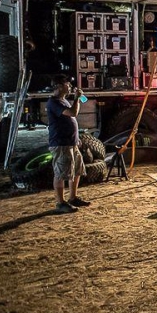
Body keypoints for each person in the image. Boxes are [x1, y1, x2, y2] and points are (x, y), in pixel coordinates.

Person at [46, 74, 89, 213]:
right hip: (61, 143)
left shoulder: (63, 100)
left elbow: (72, 116)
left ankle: (73, 197)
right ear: (59, 86)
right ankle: (60, 202)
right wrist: (77, 98)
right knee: (61, 172)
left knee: (76, 170)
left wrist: (76, 139)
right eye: (67, 84)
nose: (70, 86)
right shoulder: (54, 102)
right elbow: (72, 113)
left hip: (71, 142)